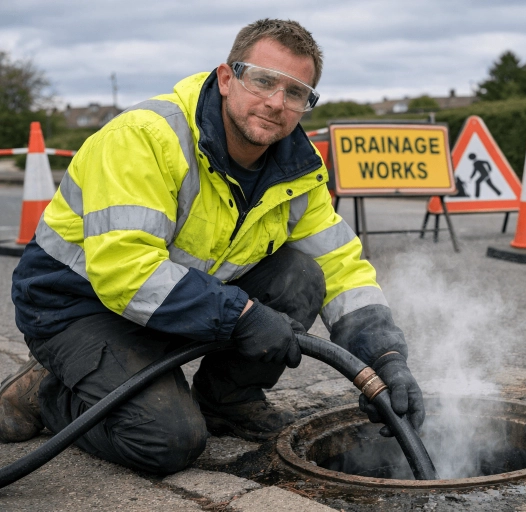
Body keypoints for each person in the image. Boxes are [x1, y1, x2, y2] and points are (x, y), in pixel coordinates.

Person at [0, 18, 424, 474]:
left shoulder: (300, 168)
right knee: (167, 441)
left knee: (300, 275)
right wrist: (241, 317)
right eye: (263, 81)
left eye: (296, 92)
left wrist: (385, 358)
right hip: (78, 307)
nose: (276, 103)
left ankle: (227, 401)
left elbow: (340, 265)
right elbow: (125, 268)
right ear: (227, 78)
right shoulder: (146, 136)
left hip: (175, 302)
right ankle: (50, 394)